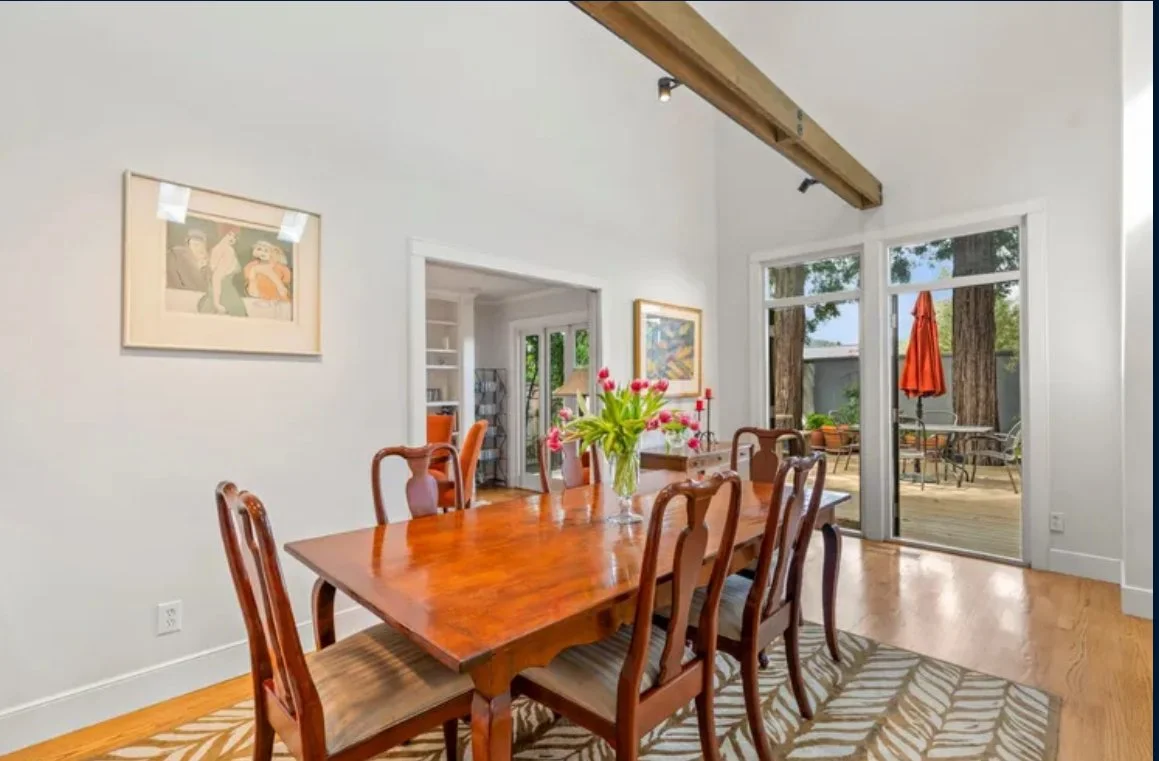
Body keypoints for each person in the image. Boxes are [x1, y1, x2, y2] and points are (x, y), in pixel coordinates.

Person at [198, 225, 247, 316]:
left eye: (235, 236)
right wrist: (217, 303)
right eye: (229, 234)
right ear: (222, 234)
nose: (232, 238)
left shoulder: (214, 249)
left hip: (212, 295)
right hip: (227, 298)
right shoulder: (228, 251)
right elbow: (217, 277)